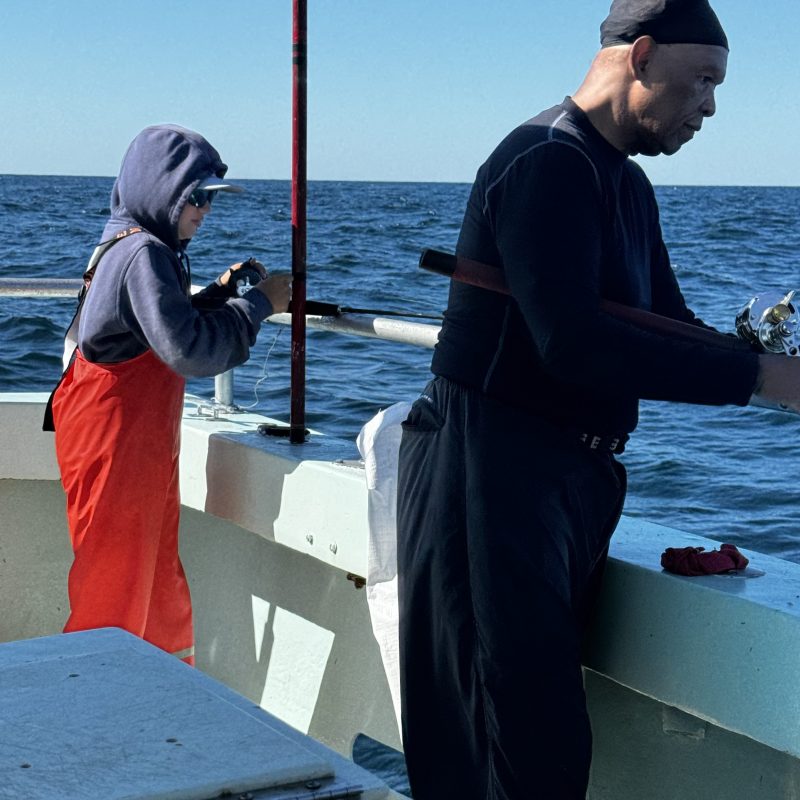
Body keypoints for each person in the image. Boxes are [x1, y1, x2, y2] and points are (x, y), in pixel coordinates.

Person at [396, 1, 800, 798]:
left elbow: (671, 326)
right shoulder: (544, 160)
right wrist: (757, 381)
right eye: (703, 82)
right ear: (641, 54)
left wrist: (767, 364)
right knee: (505, 746)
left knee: (541, 734)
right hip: (490, 468)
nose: (711, 107)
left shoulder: (625, 183)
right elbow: (571, 343)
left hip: (567, 479)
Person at [48, 124, 291, 666]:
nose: (204, 211)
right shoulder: (144, 255)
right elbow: (188, 351)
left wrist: (220, 293)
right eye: (196, 197)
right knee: (112, 588)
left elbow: (154, 327)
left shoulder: (133, 243)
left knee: (154, 585)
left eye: (209, 199)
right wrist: (258, 307)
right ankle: (92, 718)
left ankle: (155, 704)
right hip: (115, 448)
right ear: (161, 191)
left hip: (132, 446)